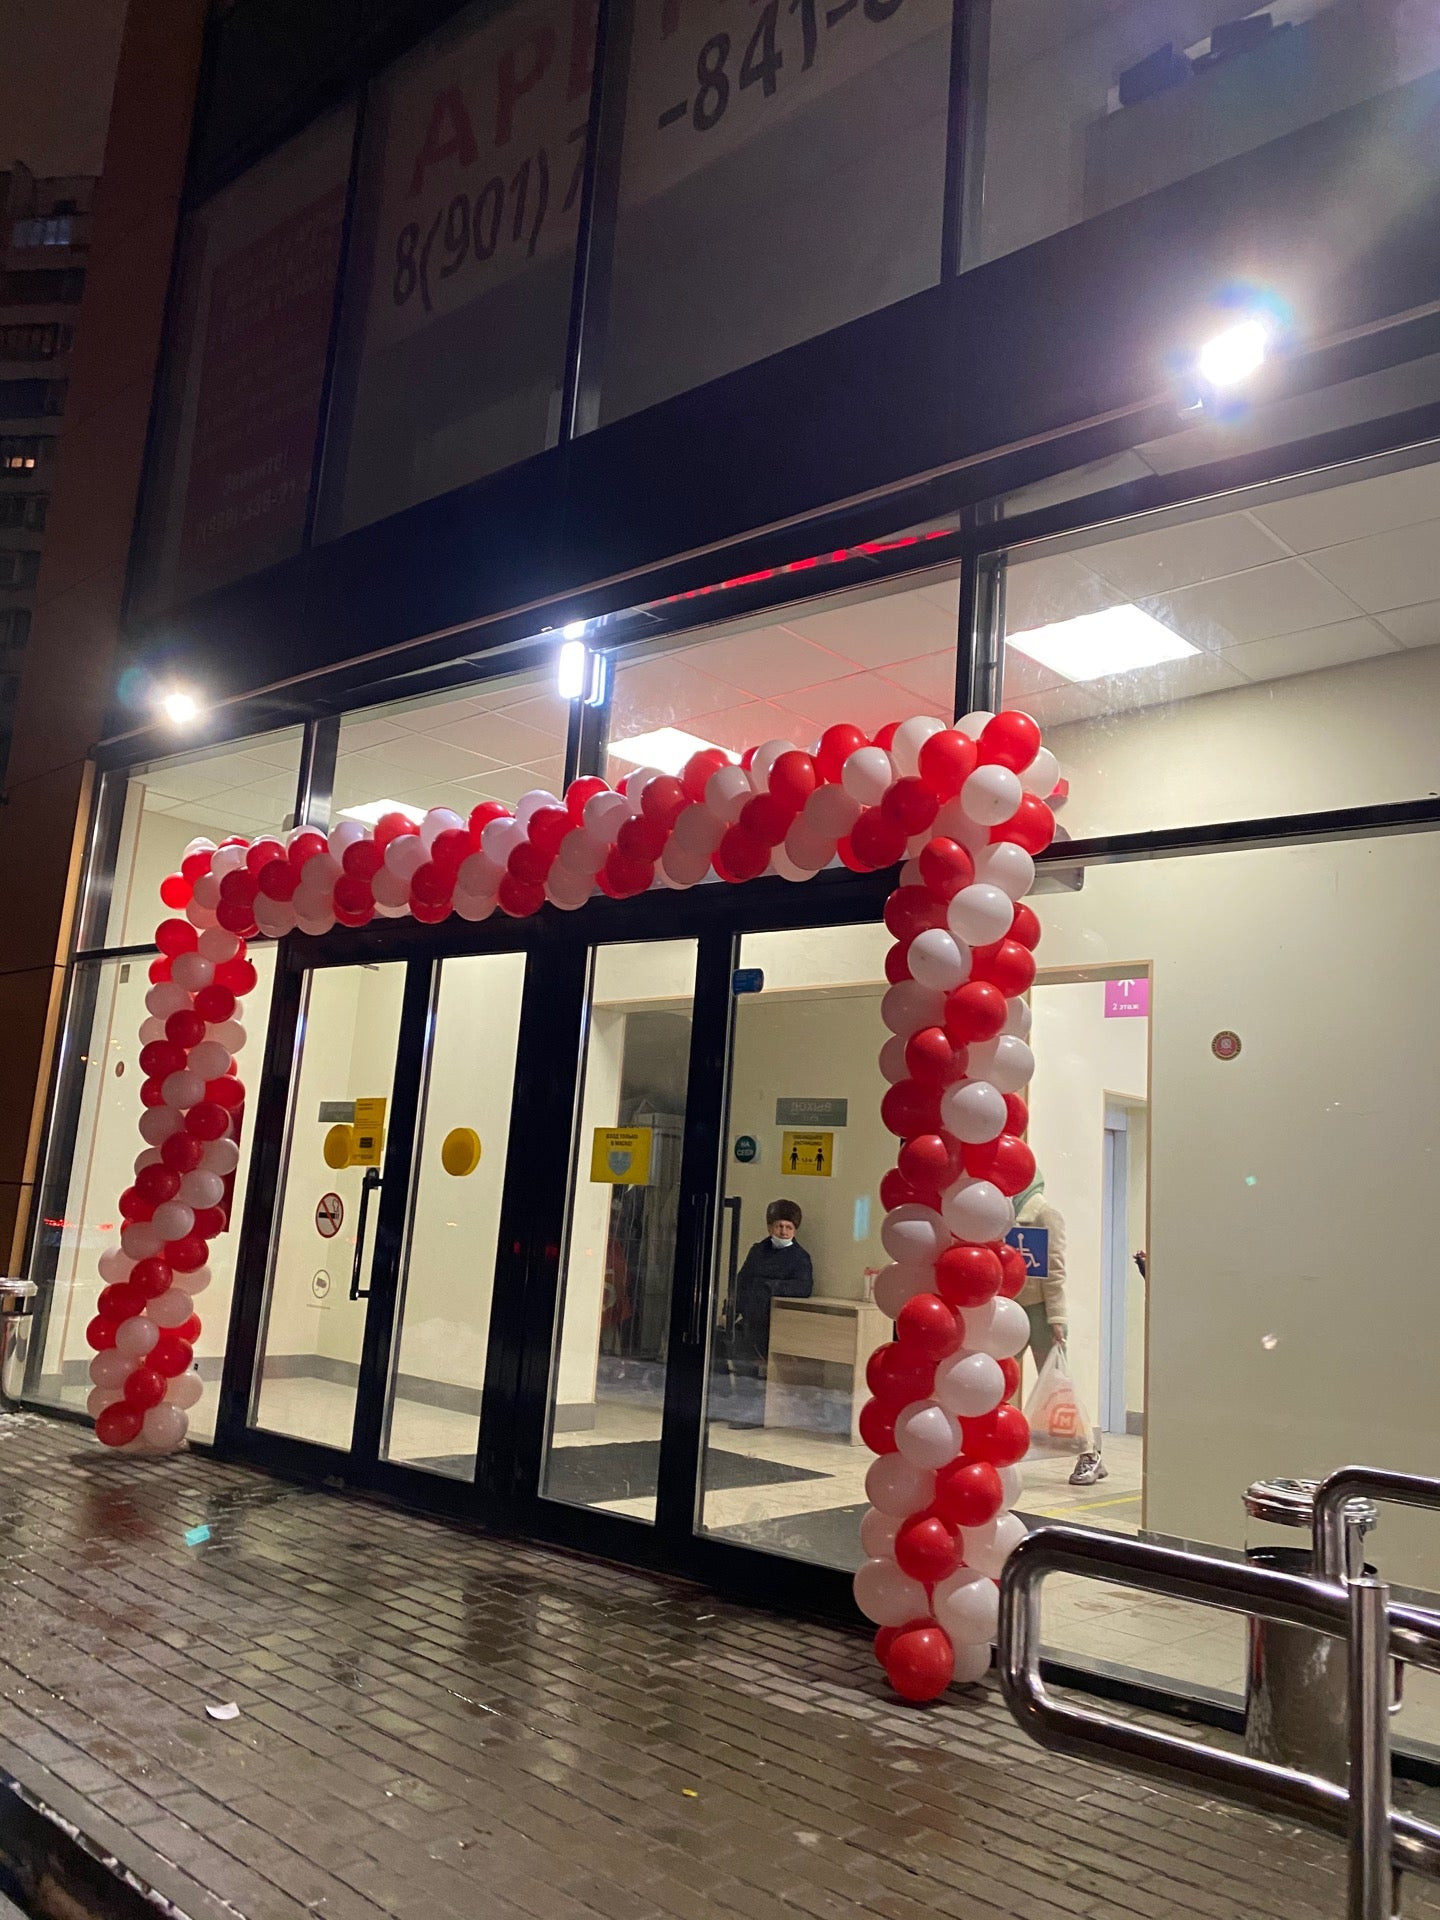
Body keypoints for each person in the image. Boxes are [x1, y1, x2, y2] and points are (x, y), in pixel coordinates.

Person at [1012, 1173, 1106, 1488]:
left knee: (1059, 1389)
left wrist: (1056, 1318)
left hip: (1041, 1313)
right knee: (997, 1381)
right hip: (1009, 1312)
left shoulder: (1044, 1214)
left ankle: (1090, 1454)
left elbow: (1054, 1271)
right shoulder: (1000, 1215)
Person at [729, 1199, 815, 1424]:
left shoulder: (800, 1257)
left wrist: (770, 1287)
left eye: (788, 1227)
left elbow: (803, 1288)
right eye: (779, 1226)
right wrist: (731, 1311)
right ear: (770, 1228)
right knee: (731, 1349)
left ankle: (755, 1414)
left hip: (777, 1321)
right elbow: (742, 1280)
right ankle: (736, 1407)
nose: (783, 1232)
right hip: (749, 1316)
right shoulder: (758, 1251)